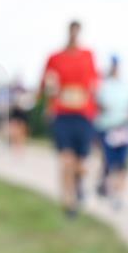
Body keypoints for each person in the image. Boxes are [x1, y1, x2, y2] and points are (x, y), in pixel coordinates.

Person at [41, 20, 99, 218]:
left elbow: (95, 82)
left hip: (83, 114)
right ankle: (69, 201)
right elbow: (46, 83)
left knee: (80, 163)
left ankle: (78, 186)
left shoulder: (88, 55)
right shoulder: (55, 57)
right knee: (66, 159)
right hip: (63, 114)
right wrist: (50, 94)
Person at [94, 56, 128, 211]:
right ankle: (106, 185)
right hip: (107, 128)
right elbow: (97, 104)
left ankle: (117, 194)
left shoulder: (127, 86)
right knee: (109, 161)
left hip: (124, 128)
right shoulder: (102, 85)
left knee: (123, 163)